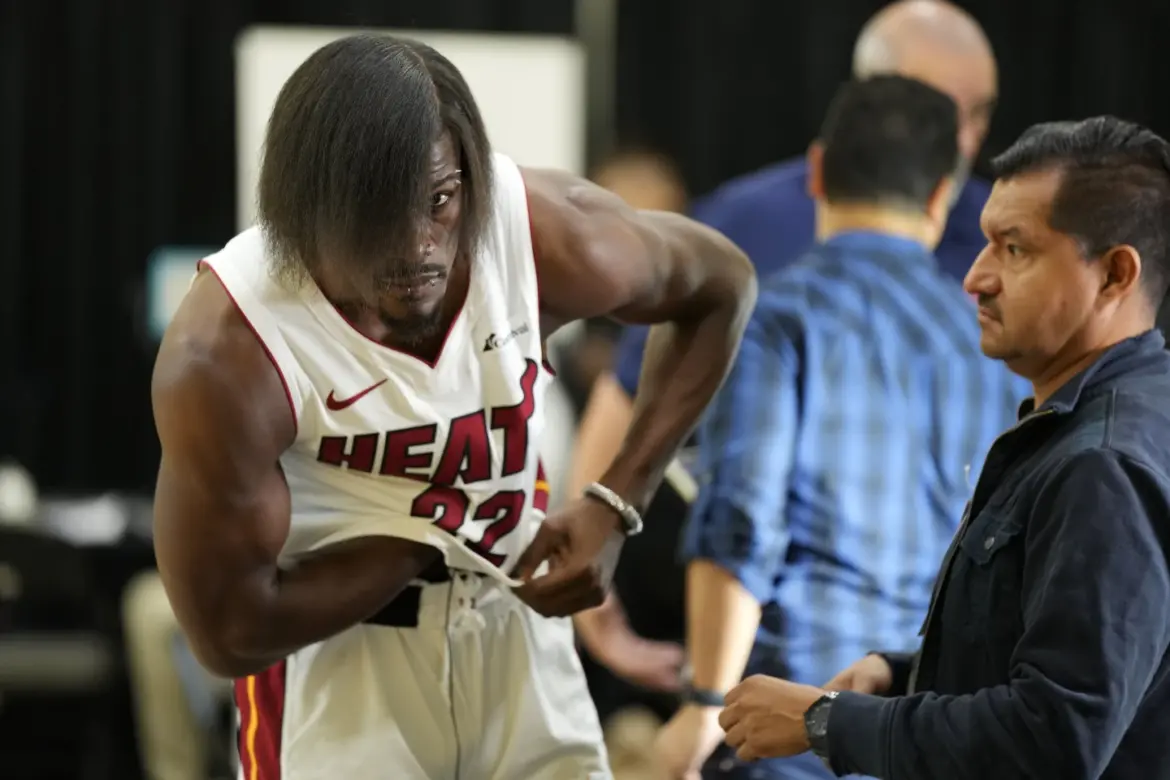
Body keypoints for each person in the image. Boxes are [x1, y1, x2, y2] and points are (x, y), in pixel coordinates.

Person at [149, 33, 755, 780]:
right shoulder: (230, 345)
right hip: (342, 663)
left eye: (438, 199)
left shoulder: (537, 232)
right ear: (312, 213)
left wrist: (613, 503)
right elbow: (230, 634)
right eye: (380, 213)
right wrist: (431, 541)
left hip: (516, 632)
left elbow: (722, 285)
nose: (420, 246)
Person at [717, 116, 1170, 779]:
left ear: (1114, 275)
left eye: (1015, 249)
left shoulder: (1103, 462)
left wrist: (827, 724)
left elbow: (1056, 735)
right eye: (986, 243)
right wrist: (900, 675)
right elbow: (1036, 663)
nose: (976, 277)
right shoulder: (1097, 424)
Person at [571, 0, 1000, 690]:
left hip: (864, 690)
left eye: (980, 113)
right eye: (938, 105)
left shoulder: (1006, 236)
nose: (961, 133)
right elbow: (631, 396)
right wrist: (596, 581)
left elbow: (740, 525)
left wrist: (710, 700)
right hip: (834, 686)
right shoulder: (745, 232)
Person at [655, 76, 1028, 780]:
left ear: (818, 171)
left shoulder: (778, 319)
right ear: (941, 197)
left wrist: (706, 702)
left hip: (790, 724)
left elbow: (741, 520)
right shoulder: (991, 345)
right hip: (924, 726)